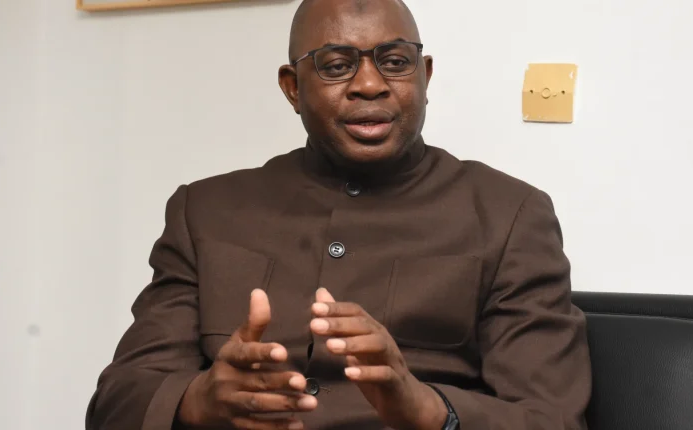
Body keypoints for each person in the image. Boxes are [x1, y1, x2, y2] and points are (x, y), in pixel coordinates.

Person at [85, 0, 592, 429]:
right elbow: (117, 400)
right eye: (335, 65)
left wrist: (426, 407)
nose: (369, 84)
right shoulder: (206, 210)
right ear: (292, 87)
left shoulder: (509, 215)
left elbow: (551, 418)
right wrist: (198, 399)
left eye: (395, 61)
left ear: (425, 75)